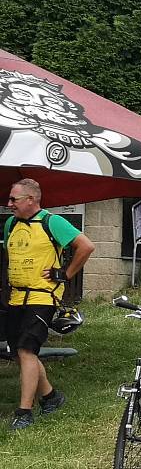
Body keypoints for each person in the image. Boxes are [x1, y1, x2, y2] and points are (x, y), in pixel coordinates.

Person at [5, 178, 95, 429]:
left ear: (31, 200)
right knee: (22, 354)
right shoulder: (11, 224)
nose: (9, 204)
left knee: (26, 350)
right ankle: (51, 397)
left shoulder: (52, 222)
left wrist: (65, 273)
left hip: (42, 297)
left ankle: (24, 412)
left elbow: (86, 246)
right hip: (15, 296)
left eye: (14, 199)